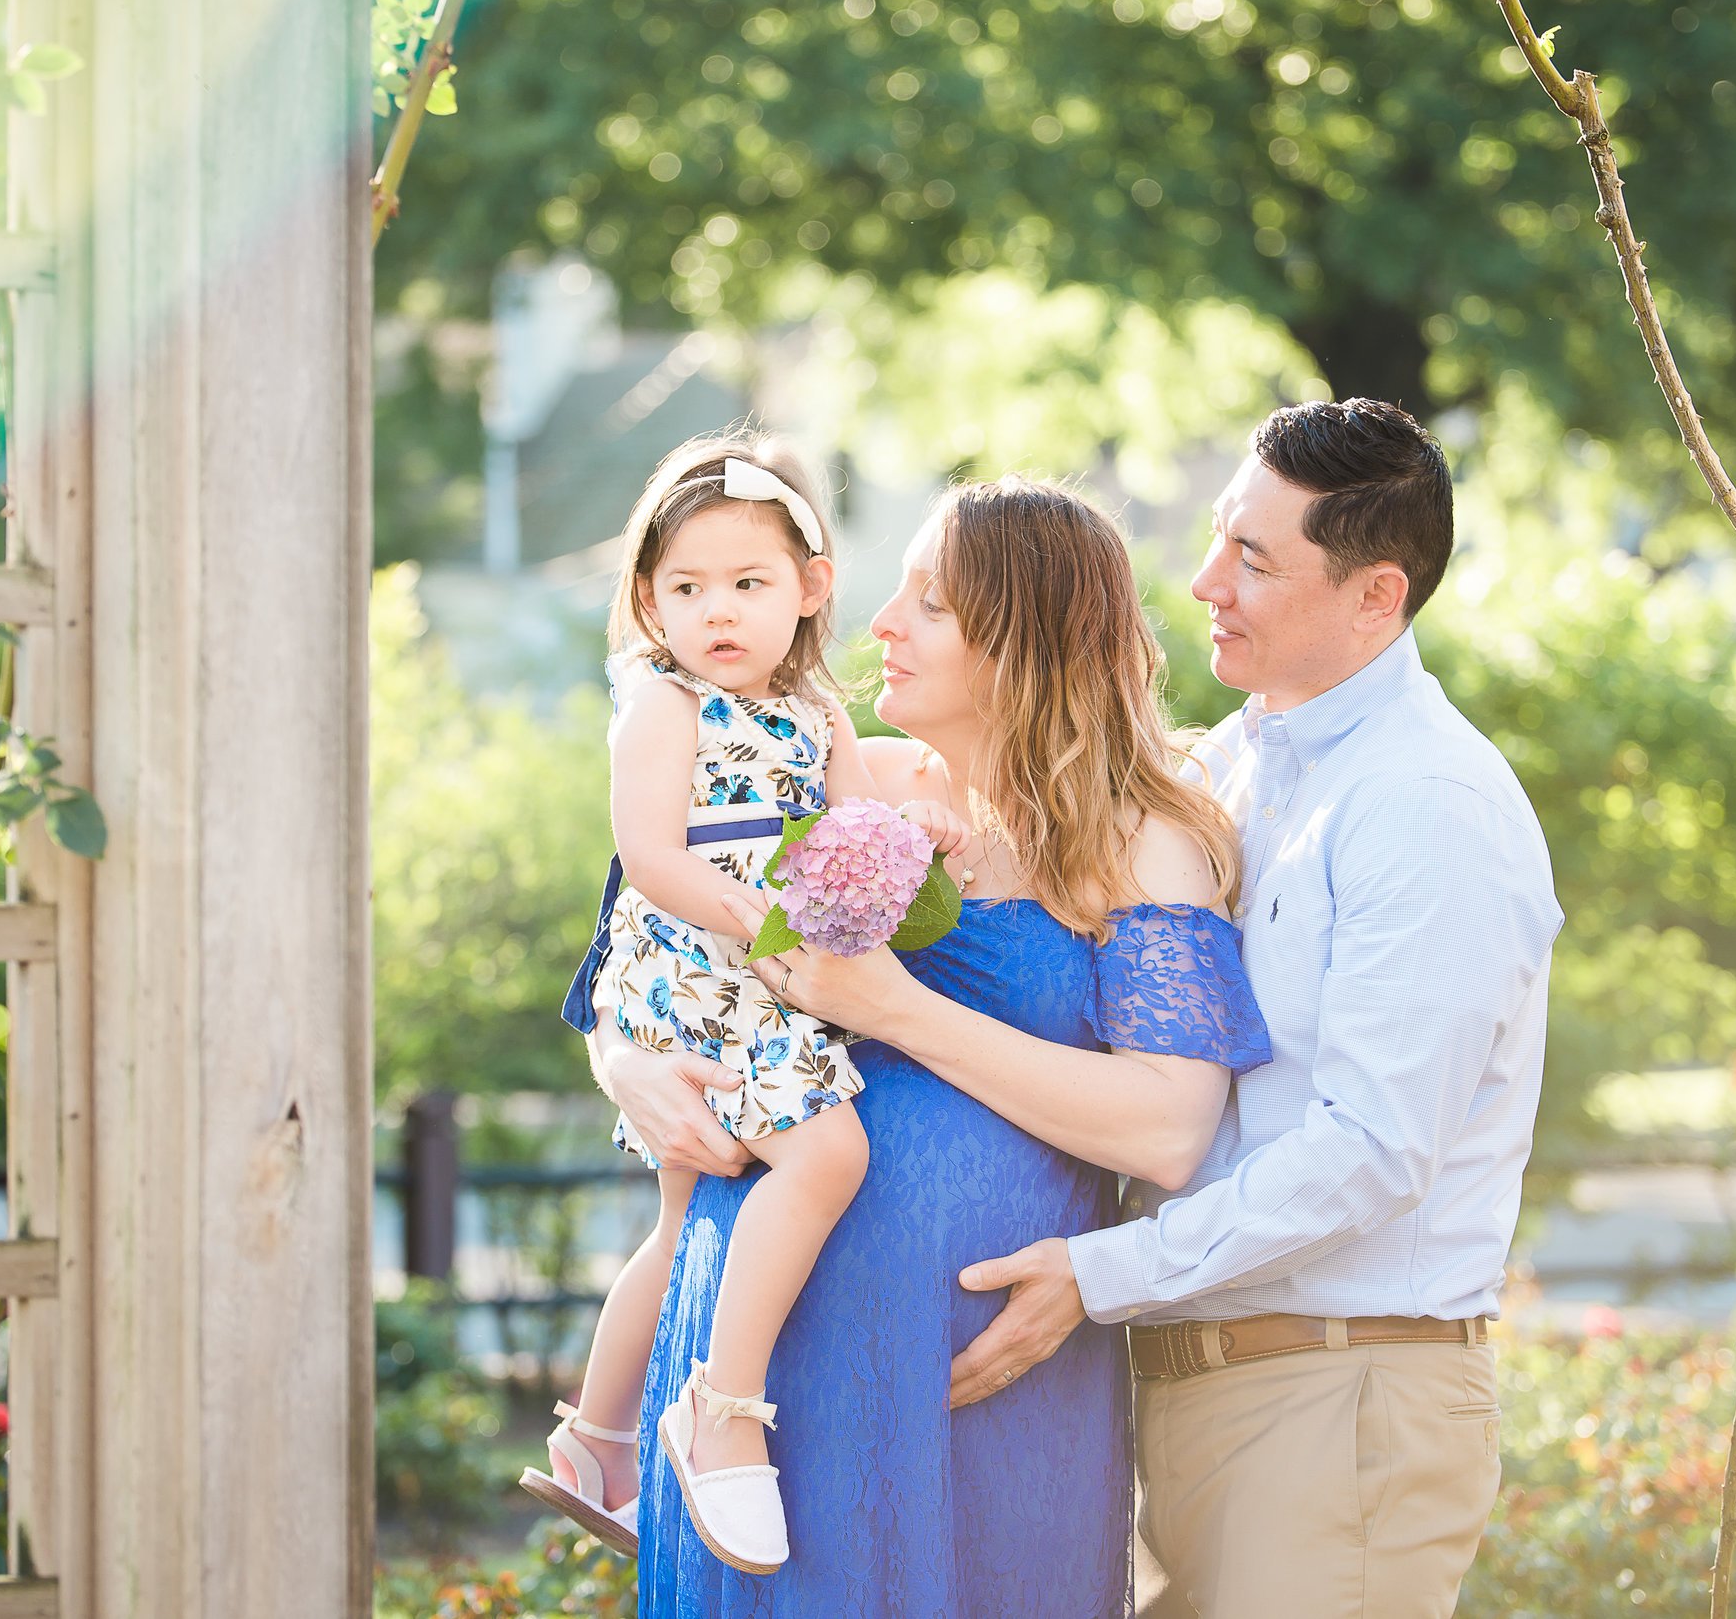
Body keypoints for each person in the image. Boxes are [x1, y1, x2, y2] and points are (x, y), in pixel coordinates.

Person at [911, 400, 1564, 1618]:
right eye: (1221, 536)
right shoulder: (1228, 767)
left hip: (1337, 1400)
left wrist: (1101, 1270)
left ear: (1376, 596)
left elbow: (1370, 1151)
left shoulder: (1425, 806)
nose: (1205, 579)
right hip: (1183, 1387)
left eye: (1255, 559)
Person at [591, 476, 1273, 1616]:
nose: (874, 627)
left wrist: (898, 1007)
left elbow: (1165, 1129)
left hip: (971, 1377)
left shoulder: (1149, 840)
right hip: (746, 1382)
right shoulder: (837, 776)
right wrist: (624, 1061)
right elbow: (647, 938)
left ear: (1026, 639)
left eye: (930, 604)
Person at [520, 432, 968, 1575]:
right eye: (687, 587)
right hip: (696, 968)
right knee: (825, 1157)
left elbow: (852, 824)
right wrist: (764, 918)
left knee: (679, 1230)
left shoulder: (815, 712)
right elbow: (652, 859)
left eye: (747, 583)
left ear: (811, 587)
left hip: (767, 968)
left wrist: (915, 839)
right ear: (648, 601)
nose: (716, 610)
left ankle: (594, 1439)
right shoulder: (665, 709)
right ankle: (722, 1405)